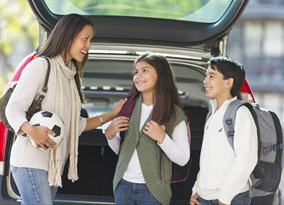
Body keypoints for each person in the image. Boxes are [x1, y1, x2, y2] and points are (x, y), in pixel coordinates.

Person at [5, 13, 126, 205]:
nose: (88, 46)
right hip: (30, 161)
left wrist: (110, 115)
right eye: (84, 39)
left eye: (90, 40)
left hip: (53, 166)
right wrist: (31, 130)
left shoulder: (71, 77)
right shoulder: (41, 66)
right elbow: (13, 108)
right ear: (68, 36)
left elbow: (75, 124)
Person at [105, 52, 190, 205]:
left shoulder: (174, 113)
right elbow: (123, 152)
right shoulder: (127, 107)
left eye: (145, 70)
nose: (138, 75)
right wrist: (110, 135)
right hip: (123, 186)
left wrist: (162, 138)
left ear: (161, 75)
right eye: (136, 71)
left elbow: (183, 159)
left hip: (153, 190)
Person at [190, 57, 258, 205]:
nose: (205, 81)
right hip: (205, 197)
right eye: (206, 76)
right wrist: (196, 189)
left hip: (231, 198)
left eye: (211, 76)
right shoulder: (212, 114)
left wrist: (225, 197)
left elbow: (247, 159)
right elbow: (208, 159)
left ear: (228, 82)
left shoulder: (241, 113)